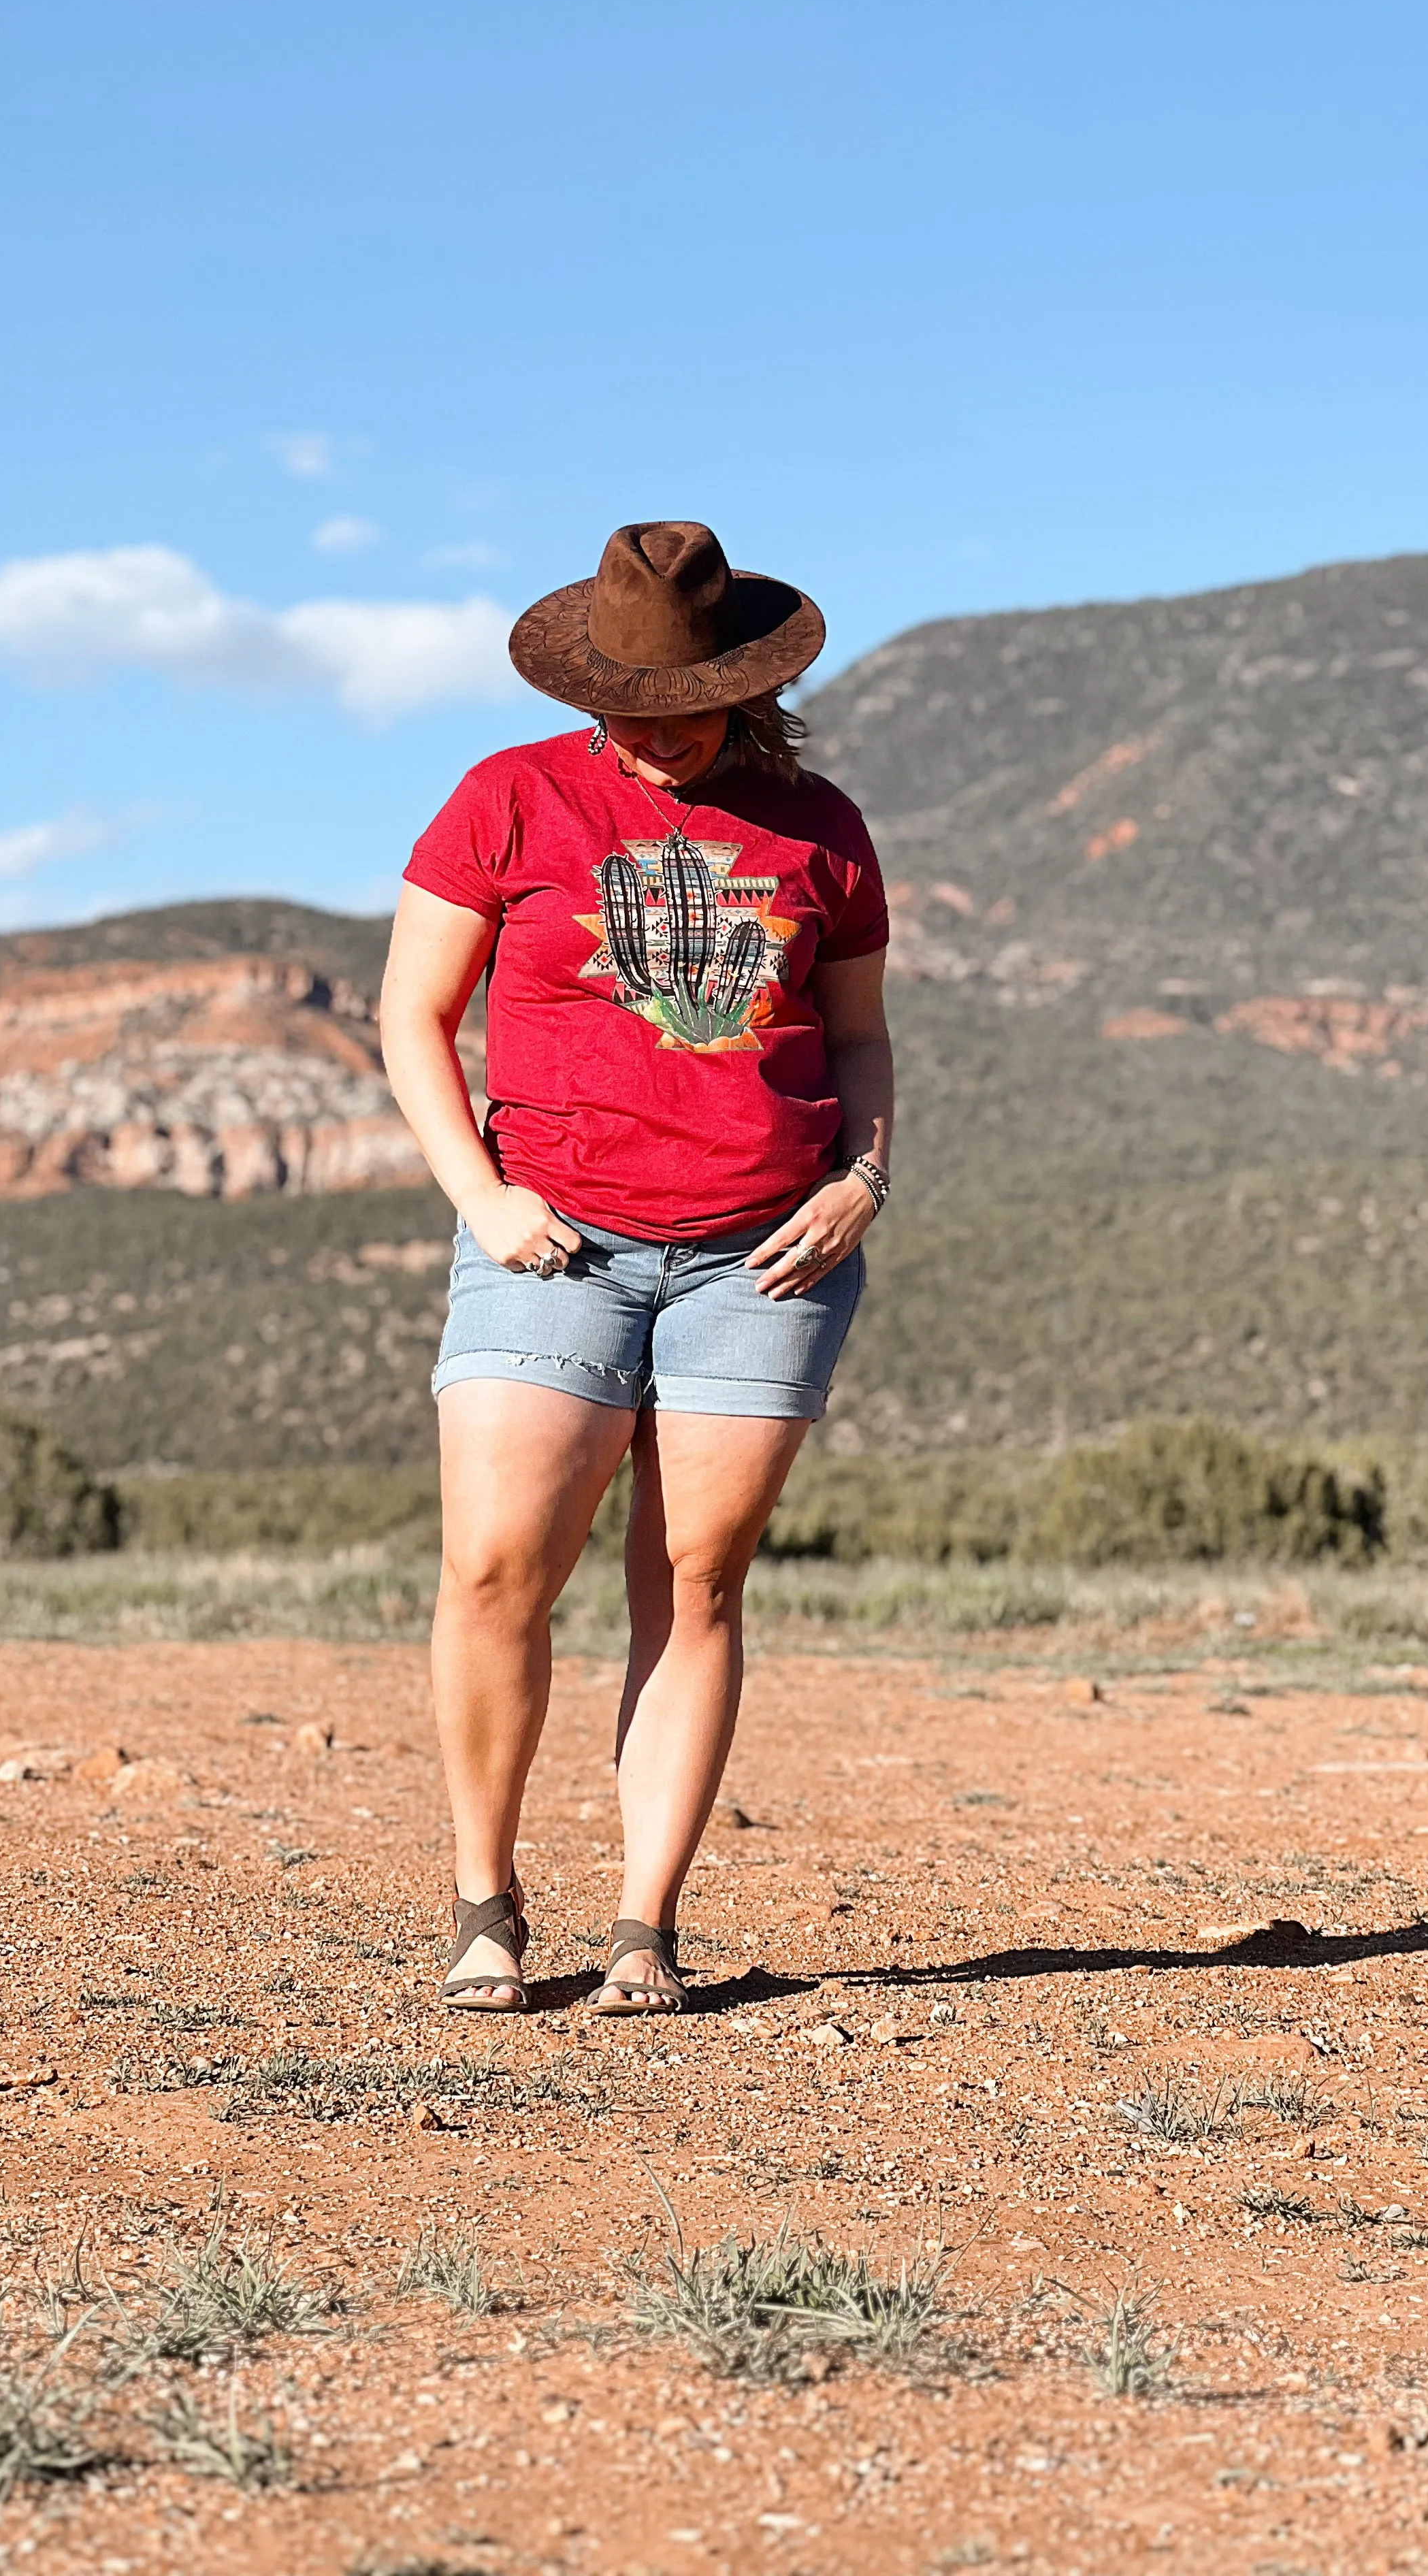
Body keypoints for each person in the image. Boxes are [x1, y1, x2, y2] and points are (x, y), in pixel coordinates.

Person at [379, 521, 894, 2016]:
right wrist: (481, 1198)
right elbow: (413, 1017)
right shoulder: (507, 799)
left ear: (745, 684)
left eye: (685, 705)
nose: (654, 735)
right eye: (628, 709)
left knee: (697, 1581)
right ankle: (487, 1902)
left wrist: (866, 1174)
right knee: (492, 1571)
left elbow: (856, 1034)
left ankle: (645, 1928)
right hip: (557, 1246)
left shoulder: (823, 828)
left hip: (768, 1253)